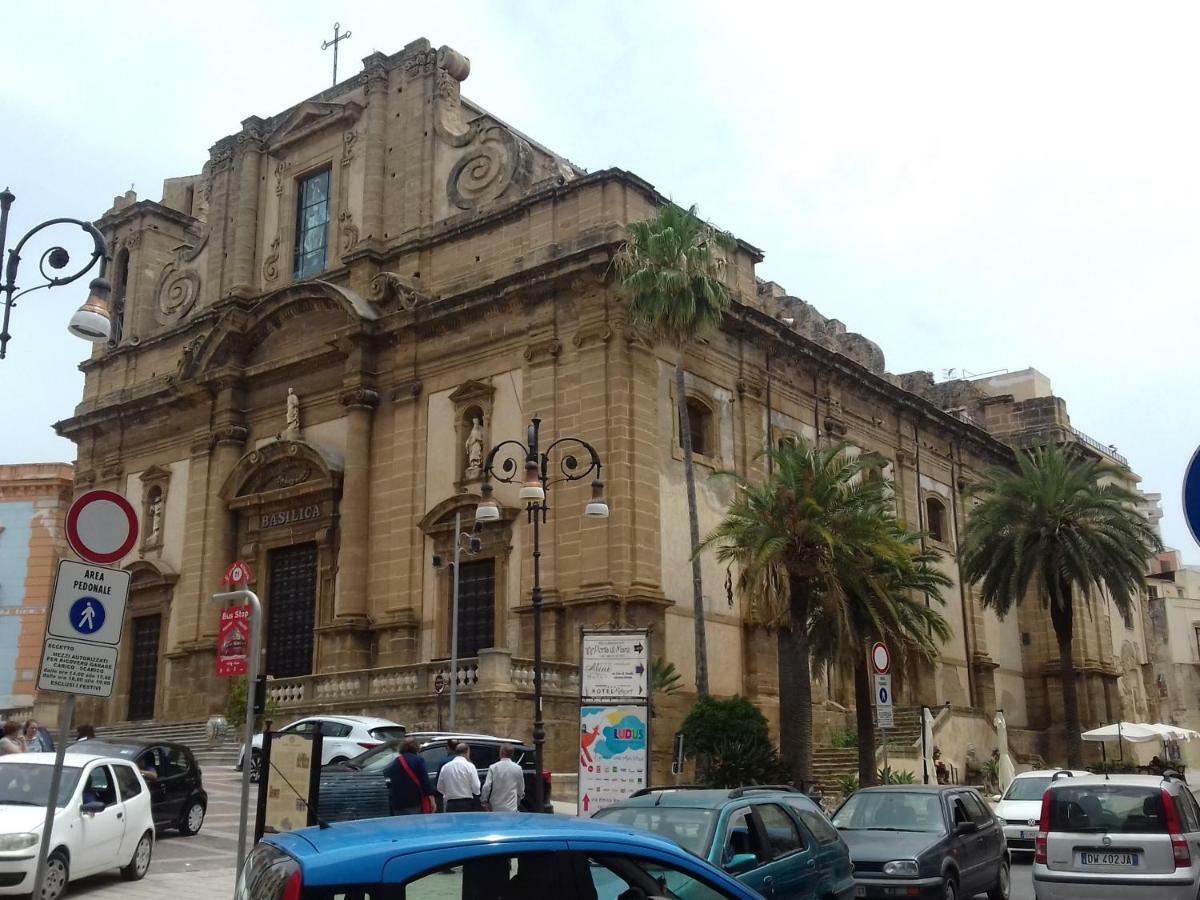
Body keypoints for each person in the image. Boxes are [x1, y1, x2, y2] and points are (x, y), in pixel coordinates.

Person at [385, 739, 435, 815]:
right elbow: (425, 781)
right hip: (413, 801)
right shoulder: (418, 760)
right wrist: (432, 799)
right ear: (416, 747)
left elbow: (389, 777)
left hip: (397, 802)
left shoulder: (396, 761)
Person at [436, 743, 480, 812]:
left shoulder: (445, 767)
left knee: (451, 822)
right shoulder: (470, 766)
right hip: (466, 802)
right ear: (467, 752)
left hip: (450, 803)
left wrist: (448, 793)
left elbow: (439, 787)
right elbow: (476, 787)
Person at [481, 743, 525, 812]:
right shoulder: (518, 768)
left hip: (495, 807)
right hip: (511, 807)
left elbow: (486, 786)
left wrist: (484, 801)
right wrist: (518, 800)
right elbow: (521, 789)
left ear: (501, 752)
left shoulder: (493, 767)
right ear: (512, 754)